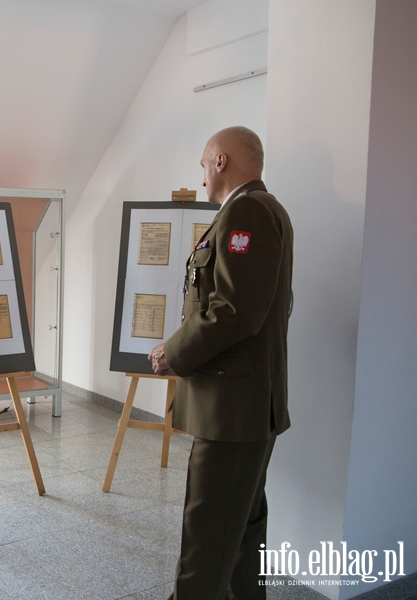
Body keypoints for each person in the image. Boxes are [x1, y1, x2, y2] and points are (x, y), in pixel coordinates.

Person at [148, 126, 293, 599]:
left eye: (205, 163)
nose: (204, 174)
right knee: (243, 528)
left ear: (222, 161)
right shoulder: (266, 209)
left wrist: (176, 351)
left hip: (232, 411)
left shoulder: (247, 210)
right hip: (248, 405)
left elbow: (233, 310)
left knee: (208, 532)